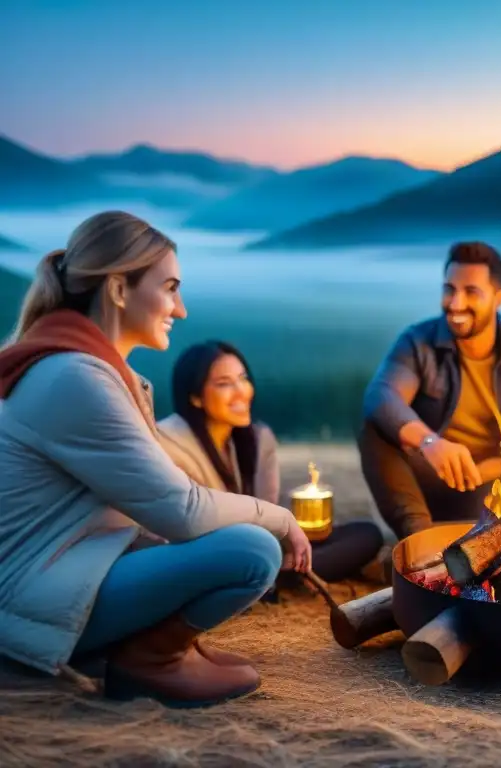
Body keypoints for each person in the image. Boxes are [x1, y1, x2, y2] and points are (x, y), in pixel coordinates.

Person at [0, 210, 312, 709]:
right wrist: (278, 517)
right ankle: (150, 660)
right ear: (119, 288)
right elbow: (181, 510)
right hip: (25, 598)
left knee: (231, 544)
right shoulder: (75, 378)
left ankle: (150, 648)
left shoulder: (87, 368)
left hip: (60, 572)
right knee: (252, 552)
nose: (180, 308)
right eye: (169, 287)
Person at [359, 241, 501, 540]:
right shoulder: (419, 342)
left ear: (499, 298)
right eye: (449, 289)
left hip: (497, 490)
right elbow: (382, 395)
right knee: (374, 426)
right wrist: (430, 442)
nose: (455, 304)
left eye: (471, 292)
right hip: (430, 482)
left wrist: (496, 466)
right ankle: (419, 542)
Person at [158, 341, 384, 583]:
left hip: (261, 546)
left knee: (366, 534)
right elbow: (179, 527)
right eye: (224, 384)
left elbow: (268, 512)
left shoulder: (257, 438)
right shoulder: (169, 442)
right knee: (262, 555)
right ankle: (276, 574)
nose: (241, 391)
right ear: (195, 397)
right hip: (208, 553)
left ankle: (280, 572)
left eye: (243, 378)